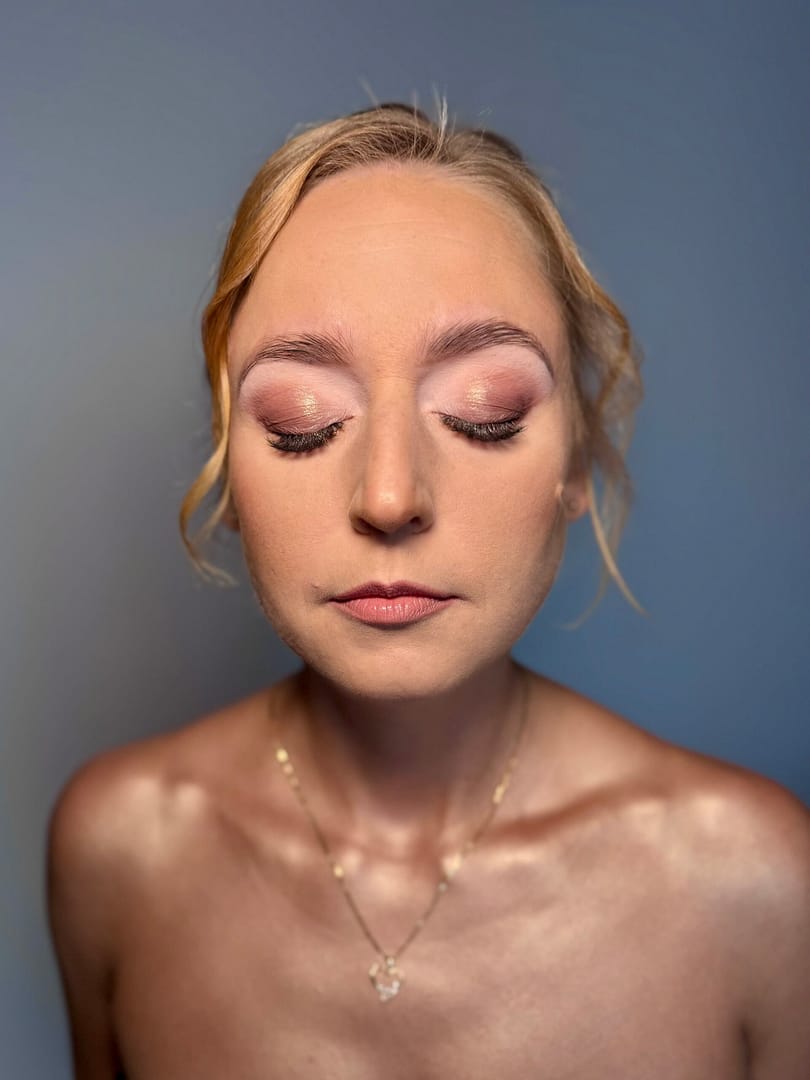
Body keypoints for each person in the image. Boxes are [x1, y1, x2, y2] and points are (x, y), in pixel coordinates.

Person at [47, 102, 810, 1079]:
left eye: (485, 414)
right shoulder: (118, 851)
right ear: (231, 472)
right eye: (301, 422)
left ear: (577, 462)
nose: (389, 497)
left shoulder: (753, 884)